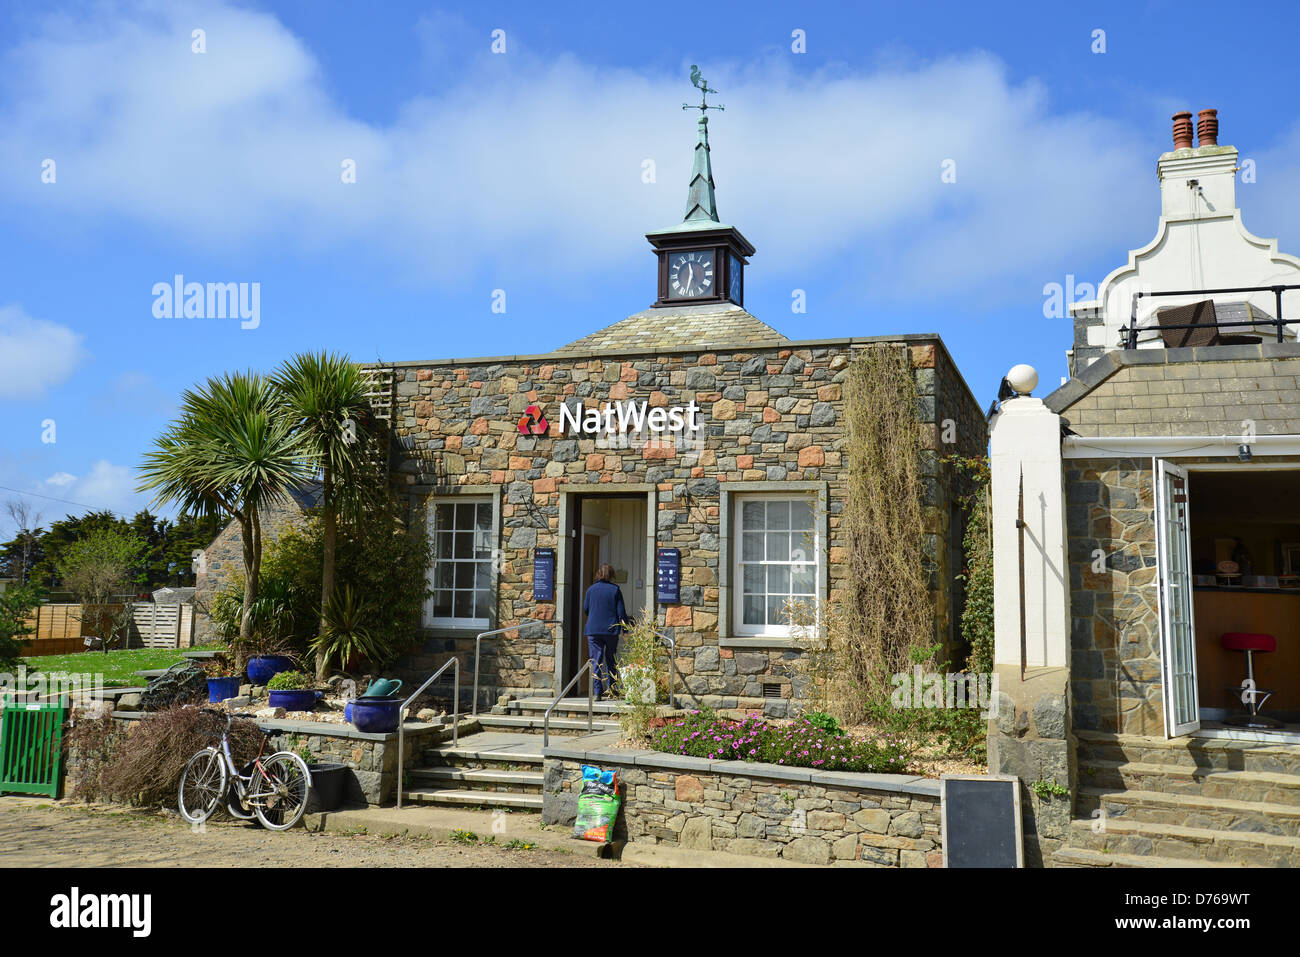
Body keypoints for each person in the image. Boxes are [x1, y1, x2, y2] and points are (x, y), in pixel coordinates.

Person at [582, 563, 627, 699]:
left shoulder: (591, 590)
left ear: (598, 574)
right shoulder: (615, 590)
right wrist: (625, 630)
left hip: (593, 630)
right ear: (611, 575)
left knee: (596, 661)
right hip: (611, 630)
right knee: (611, 660)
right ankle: (612, 690)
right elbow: (621, 612)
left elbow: (586, 609)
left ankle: (597, 692)